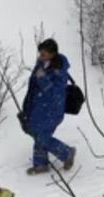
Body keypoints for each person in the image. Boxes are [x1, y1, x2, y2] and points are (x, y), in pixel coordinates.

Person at [20, 39, 76, 175]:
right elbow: (33, 86)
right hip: (38, 107)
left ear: (53, 54)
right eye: (40, 53)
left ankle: (66, 152)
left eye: (44, 54)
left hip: (52, 109)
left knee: (41, 136)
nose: (40, 56)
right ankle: (40, 164)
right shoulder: (41, 63)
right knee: (38, 133)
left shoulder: (59, 71)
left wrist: (42, 78)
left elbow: (54, 93)